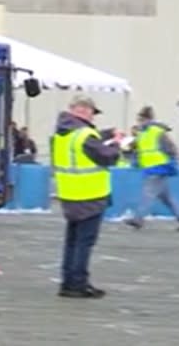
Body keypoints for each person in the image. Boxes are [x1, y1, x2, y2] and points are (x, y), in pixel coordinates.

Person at [51, 95, 123, 299]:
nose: (92, 117)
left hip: (70, 193)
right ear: (85, 111)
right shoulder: (83, 135)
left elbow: (90, 140)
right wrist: (117, 144)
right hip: (90, 195)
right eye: (92, 112)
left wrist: (107, 133)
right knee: (84, 242)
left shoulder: (63, 132)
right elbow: (107, 156)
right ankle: (78, 284)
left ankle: (68, 282)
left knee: (72, 241)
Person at [125, 106, 179, 231]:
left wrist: (170, 161)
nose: (139, 122)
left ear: (147, 119)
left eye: (141, 119)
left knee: (148, 194)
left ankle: (138, 219)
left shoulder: (156, 132)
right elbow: (139, 151)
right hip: (155, 168)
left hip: (157, 168)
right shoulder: (144, 134)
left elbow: (171, 149)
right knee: (166, 197)